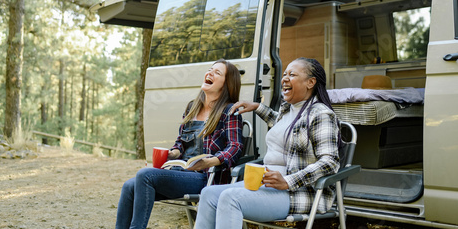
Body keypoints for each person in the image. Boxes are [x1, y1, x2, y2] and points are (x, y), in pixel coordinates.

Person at [195, 57, 340, 229]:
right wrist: (257, 107)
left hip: (297, 193)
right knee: (208, 193)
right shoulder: (288, 109)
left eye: (292, 74)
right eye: (284, 74)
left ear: (310, 82)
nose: (284, 78)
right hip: (268, 185)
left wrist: (288, 181)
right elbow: (282, 127)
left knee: (230, 198)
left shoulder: (321, 114)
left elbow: (330, 162)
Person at [115, 59, 244, 229]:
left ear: (227, 84)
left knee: (145, 175)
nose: (210, 73)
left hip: (205, 177)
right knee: (129, 186)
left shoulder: (229, 111)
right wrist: (173, 154)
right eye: (210, 69)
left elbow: (236, 146)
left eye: (217, 72)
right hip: (180, 172)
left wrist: (210, 161)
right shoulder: (192, 107)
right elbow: (180, 144)